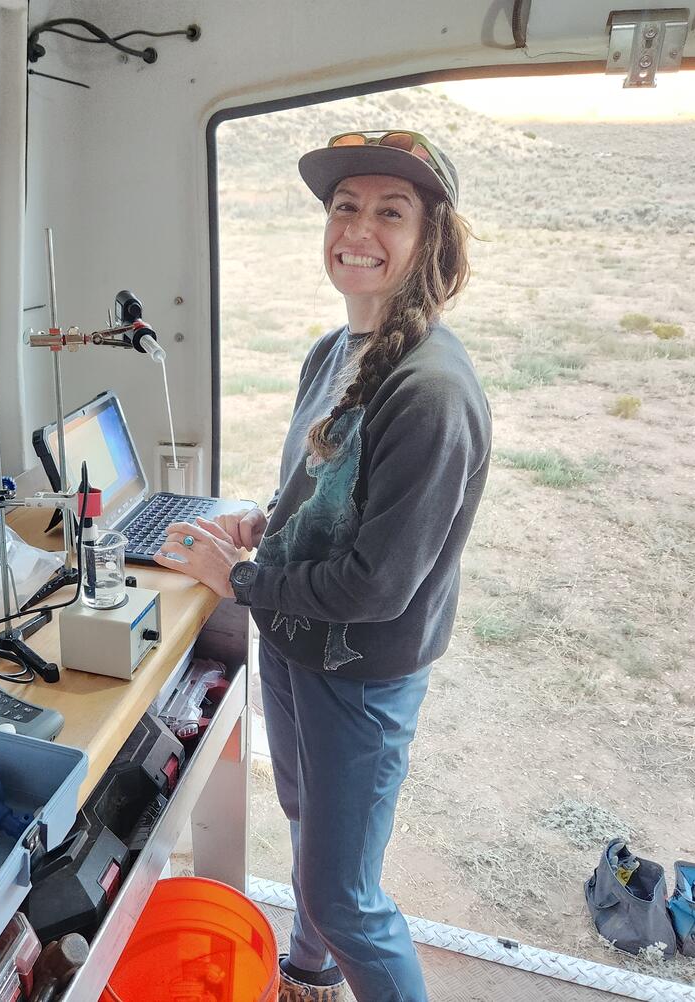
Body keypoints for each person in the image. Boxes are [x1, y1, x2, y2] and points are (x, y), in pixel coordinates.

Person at [155, 129, 491, 1002]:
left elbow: (379, 585)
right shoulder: (334, 352)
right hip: (299, 647)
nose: (359, 229)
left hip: (362, 673)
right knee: (308, 828)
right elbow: (324, 486)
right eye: (345, 206)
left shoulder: (431, 392)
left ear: (431, 240)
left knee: (347, 901)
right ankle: (307, 976)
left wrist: (240, 580)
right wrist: (262, 522)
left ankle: (332, 954)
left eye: (391, 212)